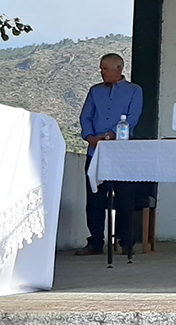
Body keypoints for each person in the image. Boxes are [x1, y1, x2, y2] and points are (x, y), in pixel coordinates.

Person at [76, 54, 144, 256]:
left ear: (119, 68)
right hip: (96, 151)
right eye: (101, 68)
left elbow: (133, 117)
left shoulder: (134, 91)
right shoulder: (95, 91)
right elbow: (85, 116)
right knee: (95, 198)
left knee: (125, 197)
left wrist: (112, 135)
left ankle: (126, 242)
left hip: (122, 152)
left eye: (106, 68)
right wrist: (90, 137)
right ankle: (95, 242)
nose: (102, 71)